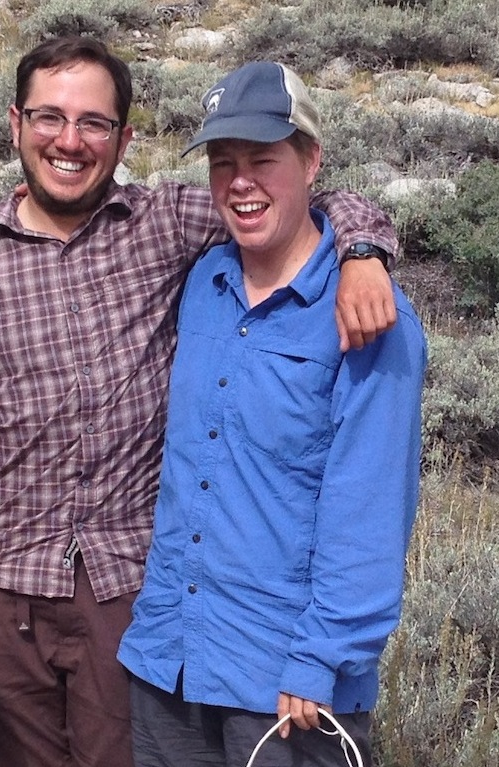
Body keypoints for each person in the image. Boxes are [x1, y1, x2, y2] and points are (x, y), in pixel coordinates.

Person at [0, 37, 400, 767]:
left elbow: (300, 201)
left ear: (123, 138)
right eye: (48, 117)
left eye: (93, 122)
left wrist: (366, 251)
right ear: (14, 124)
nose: (69, 140)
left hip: (125, 596)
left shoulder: (164, 225)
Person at [116, 61, 426, 767]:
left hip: (288, 686)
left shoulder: (370, 316)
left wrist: (322, 656)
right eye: (223, 163)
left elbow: (370, 509)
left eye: (263, 159)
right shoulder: (205, 279)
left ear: (311, 159)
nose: (241, 182)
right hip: (173, 659)